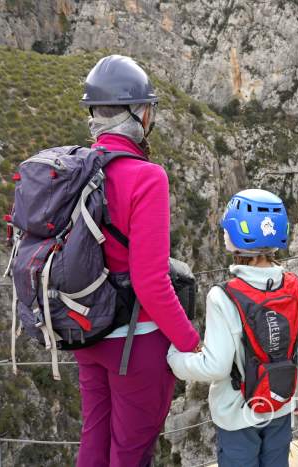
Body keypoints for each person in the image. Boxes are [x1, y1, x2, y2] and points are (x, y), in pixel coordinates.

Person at [74, 55, 200, 467]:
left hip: (86, 332)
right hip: (135, 342)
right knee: (131, 450)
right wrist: (191, 343)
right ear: (137, 113)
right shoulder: (147, 177)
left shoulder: (78, 167)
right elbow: (151, 282)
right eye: (149, 108)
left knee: (94, 441)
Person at [168, 189, 298, 467]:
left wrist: (175, 359)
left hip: (238, 415)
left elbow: (216, 367)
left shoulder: (223, 296)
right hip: (280, 404)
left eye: (226, 228)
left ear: (237, 234)